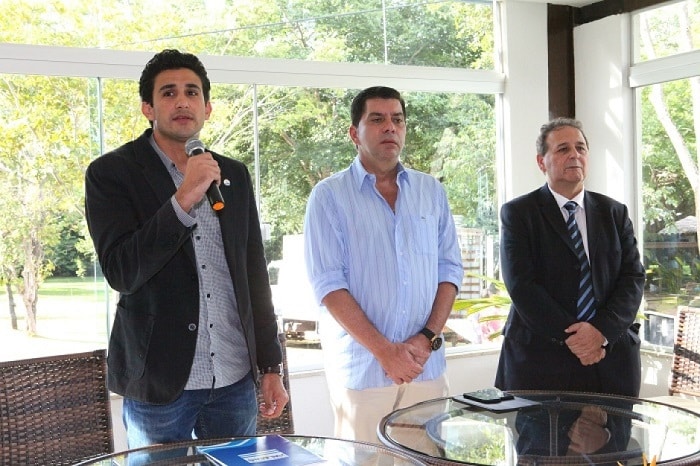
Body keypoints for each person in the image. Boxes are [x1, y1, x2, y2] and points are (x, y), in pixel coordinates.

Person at [84, 49, 288, 451]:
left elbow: (254, 275)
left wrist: (270, 365)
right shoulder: (111, 173)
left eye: (192, 92)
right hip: (159, 381)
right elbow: (122, 271)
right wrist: (184, 197)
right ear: (148, 108)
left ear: (207, 108)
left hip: (234, 377)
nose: (182, 101)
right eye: (169, 93)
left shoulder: (233, 174)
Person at [303, 86, 464, 443]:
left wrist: (426, 339)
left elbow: (450, 271)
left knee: (427, 460)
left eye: (397, 120)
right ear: (354, 133)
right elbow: (328, 285)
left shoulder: (431, 191)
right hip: (364, 375)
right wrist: (385, 352)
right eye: (377, 119)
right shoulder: (328, 196)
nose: (390, 127)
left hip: (426, 370)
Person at [495, 117, 645, 397]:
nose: (574, 155)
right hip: (540, 363)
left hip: (610, 359)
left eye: (581, 148)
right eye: (563, 149)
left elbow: (633, 278)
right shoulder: (519, 213)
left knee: (617, 429)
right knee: (540, 430)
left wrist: (600, 332)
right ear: (541, 162)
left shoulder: (614, 212)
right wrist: (579, 339)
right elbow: (522, 285)